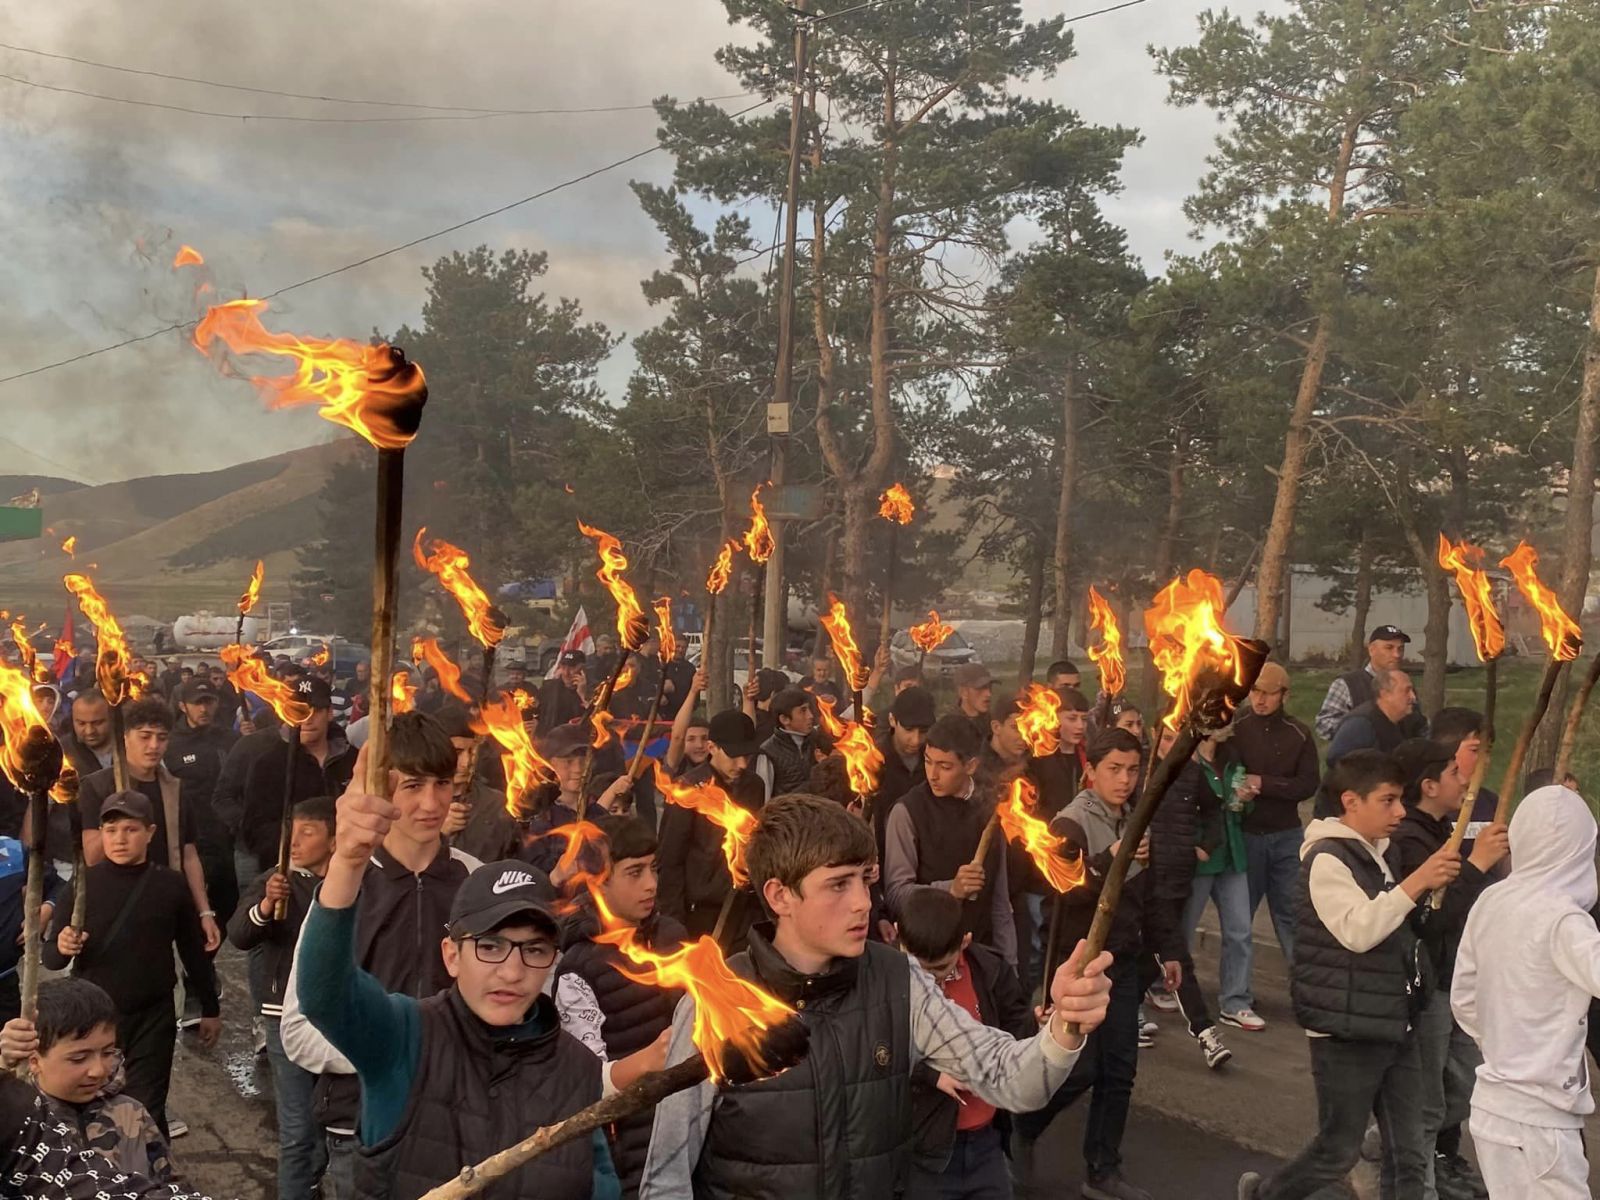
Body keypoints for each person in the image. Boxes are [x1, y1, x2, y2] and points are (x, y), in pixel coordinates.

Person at [639, 792, 1115, 1200]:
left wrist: (1065, 1027)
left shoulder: (896, 978)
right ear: (780, 896)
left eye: (865, 879)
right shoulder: (716, 1003)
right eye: (838, 884)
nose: (864, 902)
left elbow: (1013, 1080)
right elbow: (666, 1176)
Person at [297, 756, 619, 1199]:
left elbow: (600, 1187)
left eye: (534, 949)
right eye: (489, 946)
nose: (512, 971)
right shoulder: (405, 1036)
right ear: (451, 955)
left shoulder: (577, 1070)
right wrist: (348, 863)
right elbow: (324, 994)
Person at [1236, 749, 1461, 1200]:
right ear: (1350, 801)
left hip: (1394, 1020)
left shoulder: (1377, 853)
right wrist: (1415, 883)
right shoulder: (1326, 859)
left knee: (1410, 1147)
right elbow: (1359, 931)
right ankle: (1266, 1196)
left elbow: (1397, 925)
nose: (1400, 811)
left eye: (1401, 800)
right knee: (1338, 1149)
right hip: (1345, 1029)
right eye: (1388, 800)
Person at [277, 711, 480, 1196]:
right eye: (411, 786)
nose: (430, 803)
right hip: (360, 1130)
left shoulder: (476, 881)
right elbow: (298, 1029)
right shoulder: (345, 888)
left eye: (442, 783)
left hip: (459, 1128)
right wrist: (392, 1052)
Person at [1013, 728, 1181, 1200]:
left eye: (1132, 770)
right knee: (1079, 1069)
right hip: (1080, 967)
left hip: (1124, 964)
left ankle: (1103, 1169)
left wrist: (1169, 949)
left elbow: (1150, 896)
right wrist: (1111, 859)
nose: (1124, 780)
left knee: (1120, 1070)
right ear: (1090, 771)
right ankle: (1022, 1124)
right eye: (1113, 769)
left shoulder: (1135, 819)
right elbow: (1060, 895)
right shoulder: (1071, 824)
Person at [1451, 784, 1600, 1200]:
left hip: (1490, 1105)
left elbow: (1463, 997)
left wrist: (1504, 1045)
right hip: (1539, 1119)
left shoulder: (1492, 900)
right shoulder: (1564, 920)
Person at [43, 790, 220, 1136]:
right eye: (111, 831)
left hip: (153, 1015)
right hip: (94, 1020)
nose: (120, 839)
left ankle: (149, 1182)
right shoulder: (83, 884)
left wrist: (210, 1006)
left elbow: (192, 952)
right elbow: (50, 958)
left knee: (147, 1113)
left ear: (150, 832)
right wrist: (64, 944)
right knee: (93, 1109)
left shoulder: (170, 885)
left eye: (130, 830)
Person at [1385, 740, 1506, 1200]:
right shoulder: (1412, 841)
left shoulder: (1441, 830)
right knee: (1428, 1102)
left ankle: (1391, 1143)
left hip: (1458, 979)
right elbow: (1431, 919)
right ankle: (1421, 1185)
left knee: (1468, 1080)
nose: (1466, 781)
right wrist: (1476, 864)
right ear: (1430, 785)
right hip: (1431, 983)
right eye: (1456, 773)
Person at [554, 818, 686, 1198]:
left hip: (685, 1127)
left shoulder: (673, 937)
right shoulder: (579, 968)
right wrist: (652, 1058)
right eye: (634, 872)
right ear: (598, 881)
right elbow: (585, 1081)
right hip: (626, 1150)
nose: (651, 884)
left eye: (653, 869)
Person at [226, 796, 336, 1200]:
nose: (294, 841)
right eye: (291, 831)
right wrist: (268, 903)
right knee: (297, 1129)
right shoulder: (276, 878)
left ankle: (315, 1185)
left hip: (335, 1016)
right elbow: (238, 934)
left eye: (308, 832)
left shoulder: (350, 881)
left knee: (335, 1124)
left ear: (334, 840)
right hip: (283, 1016)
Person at [897, 886, 1037, 1200]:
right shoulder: (883, 978)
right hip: (925, 1150)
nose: (928, 982)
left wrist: (1041, 1026)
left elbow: (1015, 1032)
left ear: (964, 942)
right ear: (897, 936)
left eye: (939, 970)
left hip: (987, 1144)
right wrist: (931, 1074)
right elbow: (875, 1050)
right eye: (918, 969)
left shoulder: (990, 969)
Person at [76, 697, 221, 955]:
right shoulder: (96, 787)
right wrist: (119, 808)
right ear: (125, 737)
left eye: (161, 737)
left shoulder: (175, 789)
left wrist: (204, 911)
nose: (153, 745)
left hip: (163, 906)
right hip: (112, 906)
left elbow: (188, 854)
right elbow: (92, 856)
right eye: (145, 736)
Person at [0, 978, 174, 1182]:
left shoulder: (131, 1114)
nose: (98, 1070)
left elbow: (169, 1181)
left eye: (108, 1052)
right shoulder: (18, 1123)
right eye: (79, 1058)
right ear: (34, 1060)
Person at [884, 715, 1017, 967]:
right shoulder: (908, 812)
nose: (933, 775)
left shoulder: (992, 808)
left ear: (971, 766)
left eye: (945, 766)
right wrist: (950, 890)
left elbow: (999, 899)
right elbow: (896, 894)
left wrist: (1009, 963)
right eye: (928, 761)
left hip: (982, 952)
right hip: (931, 958)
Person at [1145, 731, 1231, 1070]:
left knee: (1165, 954)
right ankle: (1205, 1031)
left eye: (1179, 739)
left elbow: (1214, 812)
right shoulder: (1140, 774)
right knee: (1171, 955)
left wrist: (1204, 846)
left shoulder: (1192, 774)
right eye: (1166, 739)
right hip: (1141, 884)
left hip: (1177, 881)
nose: (1173, 747)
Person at [1229, 662, 1318, 961]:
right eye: (1255, 691)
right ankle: (1236, 994)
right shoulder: (1236, 728)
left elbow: (1308, 785)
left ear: (1285, 695)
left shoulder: (1299, 734)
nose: (1260, 700)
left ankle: (1303, 987)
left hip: (1286, 836)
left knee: (1291, 916)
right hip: (1247, 834)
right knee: (1240, 921)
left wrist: (1264, 783)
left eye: (1269, 693)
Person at [655, 709, 766, 946]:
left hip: (743, 905)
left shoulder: (754, 785)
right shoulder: (687, 791)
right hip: (700, 911)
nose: (742, 764)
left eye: (747, 755)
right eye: (734, 755)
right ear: (712, 747)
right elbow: (670, 859)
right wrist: (674, 922)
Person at [1182, 730, 1264, 1033]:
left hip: (1232, 854)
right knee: (1183, 930)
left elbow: (1240, 810)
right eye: (1224, 715)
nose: (1230, 721)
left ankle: (1235, 1001)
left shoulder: (1231, 756)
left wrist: (1244, 799)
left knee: (1240, 930)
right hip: (1202, 858)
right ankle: (1164, 986)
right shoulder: (1187, 757)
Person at [238, 677, 356, 878]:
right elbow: (255, 829)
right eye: (299, 712)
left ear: (329, 713)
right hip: (288, 876)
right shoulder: (269, 765)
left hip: (348, 871)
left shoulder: (353, 759)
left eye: (316, 711)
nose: (307, 719)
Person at [165, 677, 241, 954]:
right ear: (183, 706)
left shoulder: (231, 739)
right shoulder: (171, 744)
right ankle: (198, 972)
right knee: (195, 909)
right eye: (197, 703)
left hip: (229, 838)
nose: (204, 709)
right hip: (193, 843)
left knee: (226, 906)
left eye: (208, 701)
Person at [1315, 626, 1424, 741]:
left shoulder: (1406, 684)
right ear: (1372, 650)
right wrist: (1363, 731)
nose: (1397, 655)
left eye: (1400, 649)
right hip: (1359, 755)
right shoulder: (1347, 684)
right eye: (1389, 648)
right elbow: (1324, 725)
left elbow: (1420, 727)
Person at [869, 686, 935, 856]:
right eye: (909, 730)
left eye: (923, 731)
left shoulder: (936, 759)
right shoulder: (872, 761)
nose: (916, 739)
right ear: (892, 720)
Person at [1322, 668, 1420, 782]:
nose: (1413, 697)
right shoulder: (1360, 724)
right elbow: (1338, 762)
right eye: (1407, 691)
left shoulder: (1406, 721)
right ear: (1385, 694)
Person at [0, 834, 58, 1023]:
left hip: (5, 985)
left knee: (12, 1048)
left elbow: (59, 886)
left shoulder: (13, 850)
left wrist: (43, 913)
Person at [760, 687, 819, 796]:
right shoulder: (768, 752)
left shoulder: (817, 740)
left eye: (809, 709)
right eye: (803, 710)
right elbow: (764, 797)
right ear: (785, 719)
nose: (810, 716)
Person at [539, 651, 588, 734]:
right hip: (551, 740)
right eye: (563, 667)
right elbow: (537, 712)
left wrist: (583, 695)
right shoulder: (549, 687)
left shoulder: (595, 690)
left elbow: (599, 719)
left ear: (582, 669)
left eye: (572, 668)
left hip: (579, 740)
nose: (566, 673)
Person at [951, 664, 994, 751]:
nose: (988, 694)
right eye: (981, 688)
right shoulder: (949, 728)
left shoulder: (994, 722)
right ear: (963, 692)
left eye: (989, 687)